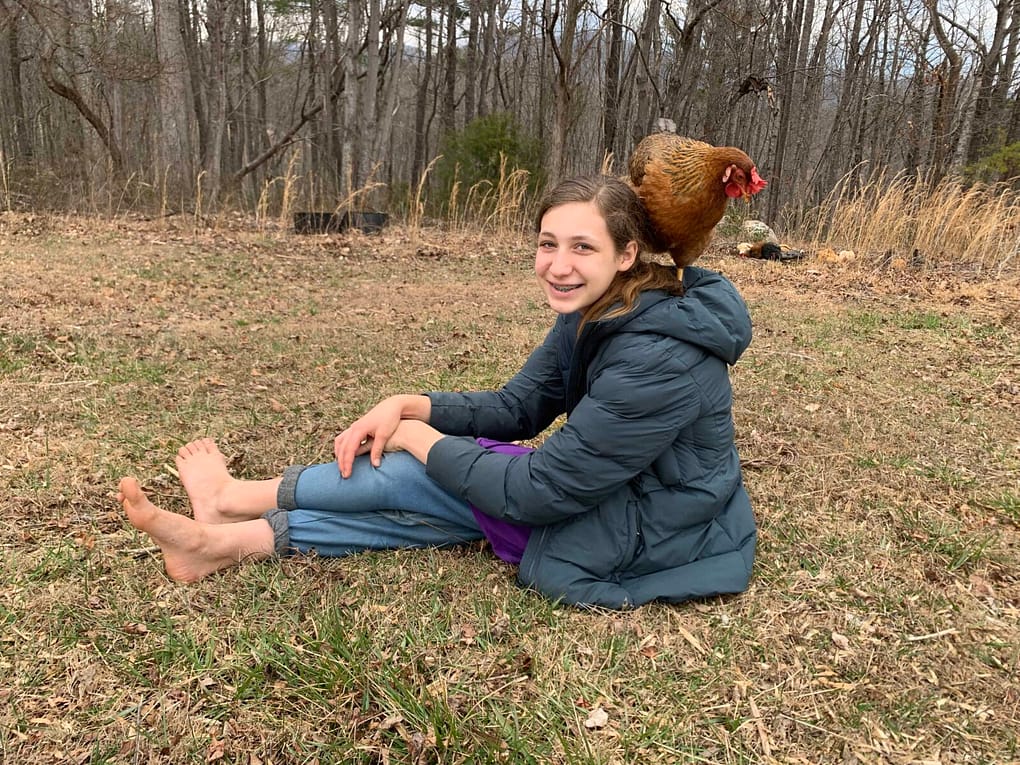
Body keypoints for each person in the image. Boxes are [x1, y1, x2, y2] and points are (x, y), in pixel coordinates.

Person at [118, 175, 757, 609]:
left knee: (437, 480)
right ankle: (222, 539)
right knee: (448, 489)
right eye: (547, 243)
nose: (557, 265)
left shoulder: (658, 355)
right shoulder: (600, 309)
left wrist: (420, 439)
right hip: (614, 491)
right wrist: (413, 405)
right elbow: (518, 407)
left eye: (581, 247)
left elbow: (539, 491)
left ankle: (231, 506)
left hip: (659, 527)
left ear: (626, 255)